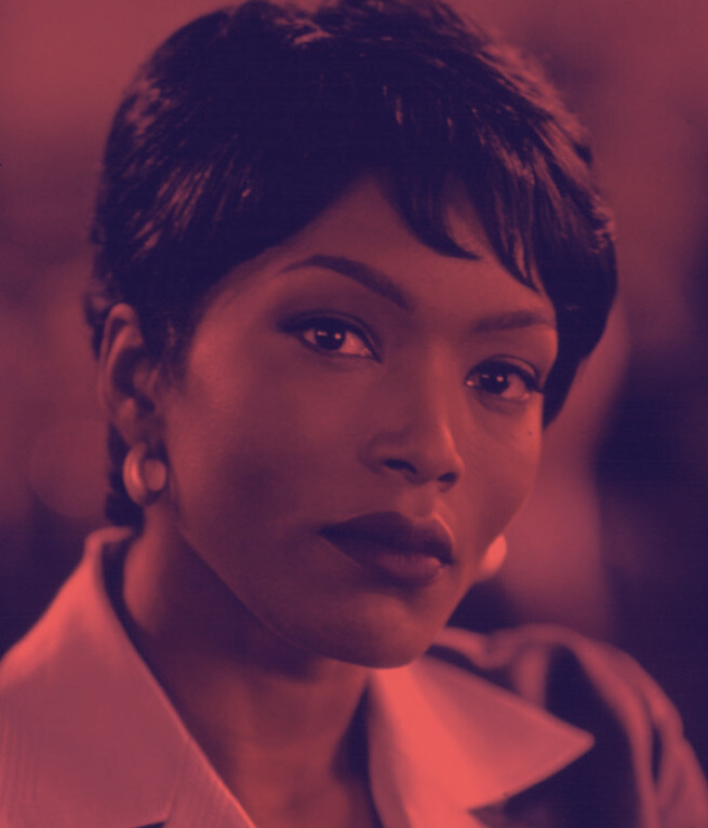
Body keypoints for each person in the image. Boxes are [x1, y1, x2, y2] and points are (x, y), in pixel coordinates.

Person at [0, 1, 706, 826]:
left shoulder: (604, 756)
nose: (433, 446)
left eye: (501, 376)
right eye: (335, 336)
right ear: (139, 379)